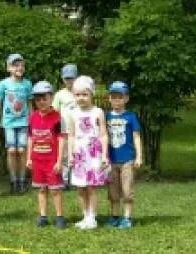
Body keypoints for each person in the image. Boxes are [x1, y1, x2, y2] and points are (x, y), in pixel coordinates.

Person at [64, 75, 108, 230]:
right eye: (77, 94)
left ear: (91, 94)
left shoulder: (98, 112)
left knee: (91, 187)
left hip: (94, 153)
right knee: (81, 187)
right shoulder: (72, 113)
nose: (81, 98)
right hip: (79, 154)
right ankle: (85, 215)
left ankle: (93, 217)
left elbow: (103, 134)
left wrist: (104, 155)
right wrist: (69, 155)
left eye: (85, 94)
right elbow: (71, 135)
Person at [26, 81, 66, 228]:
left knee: (55, 189)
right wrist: (29, 157)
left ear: (51, 98)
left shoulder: (57, 118)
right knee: (41, 189)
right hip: (38, 160)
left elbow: (62, 139)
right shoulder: (32, 117)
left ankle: (59, 216)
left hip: (52, 161)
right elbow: (30, 138)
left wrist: (59, 161)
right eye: (38, 99)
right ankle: (43, 216)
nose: (41, 102)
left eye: (44, 98)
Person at [105, 81, 142, 229]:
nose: (117, 100)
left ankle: (127, 217)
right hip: (111, 160)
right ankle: (115, 216)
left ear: (126, 99)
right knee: (113, 191)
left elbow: (136, 137)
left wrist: (139, 156)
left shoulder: (131, 116)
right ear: (109, 98)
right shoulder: (106, 116)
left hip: (127, 159)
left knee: (127, 190)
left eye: (120, 97)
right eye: (114, 97)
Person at [0, 53, 33, 194]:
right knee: (11, 150)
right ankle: (13, 180)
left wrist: (32, 120)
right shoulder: (3, 84)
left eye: (21, 65)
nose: (19, 68)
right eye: (15, 65)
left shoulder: (27, 84)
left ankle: (22, 180)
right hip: (9, 122)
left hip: (23, 122)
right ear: (9, 68)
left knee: (22, 150)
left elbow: (29, 103)